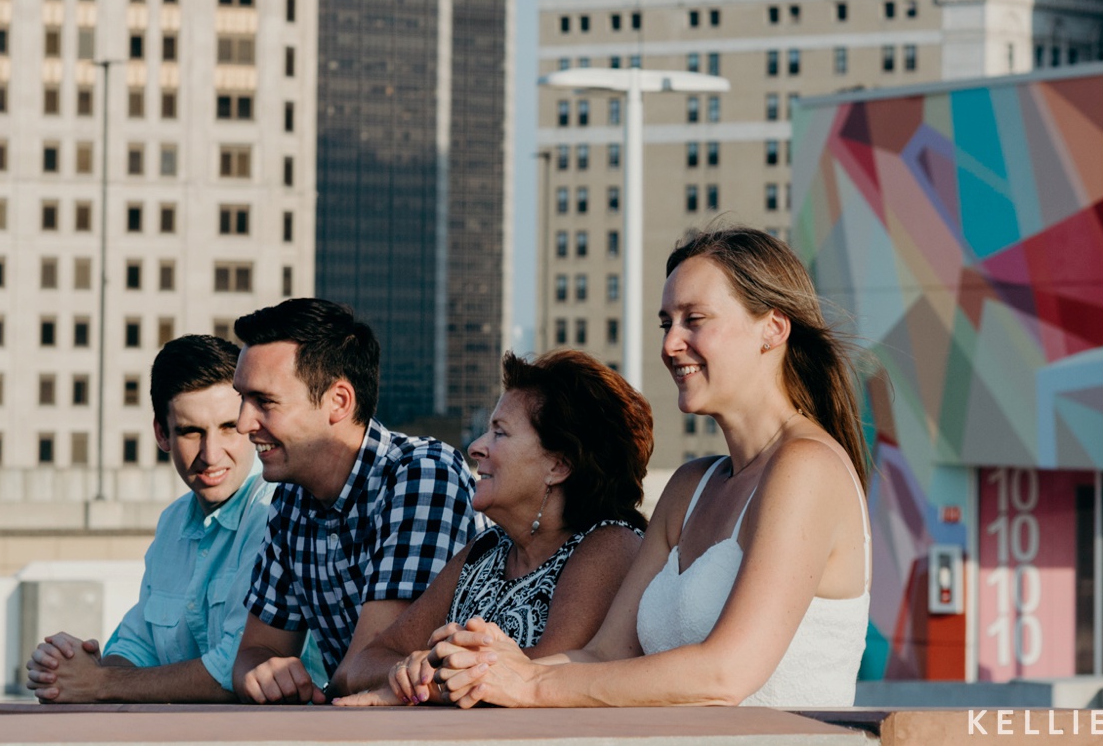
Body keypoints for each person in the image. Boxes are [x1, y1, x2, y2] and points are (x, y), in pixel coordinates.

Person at [431, 227, 873, 709]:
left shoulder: (808, 468)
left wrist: (531, 685)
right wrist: (469, 671)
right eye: (667, 323)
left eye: (695, 320)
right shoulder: (691, 484)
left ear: (773, 328)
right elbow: (605, 655)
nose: (671, 344)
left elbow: (727, 674)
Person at [333, 350, 651, 705]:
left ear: (558, 465)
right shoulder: (487, 550)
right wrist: (412, 669)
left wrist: (428, 678)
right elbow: (363, 663)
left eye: (499, 434)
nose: (475, 447)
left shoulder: (610, 544)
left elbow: (546, 675)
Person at [22, 334, 323, 702]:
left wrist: (100, 684)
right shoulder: (173, 523)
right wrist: (69, 670)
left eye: (228, 427)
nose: (211, 455)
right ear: (162, 434)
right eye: (191, 432)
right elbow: (137, 647)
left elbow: (237, 669)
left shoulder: (277, 510)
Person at [227, 297, 481, 704]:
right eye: (242, 398)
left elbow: (373, 663)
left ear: (339, 402)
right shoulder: (291, 497)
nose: (242, 423)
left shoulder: (423, 475)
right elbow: (252, 655)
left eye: (264, 402)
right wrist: (262, 672)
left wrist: (318, 686)